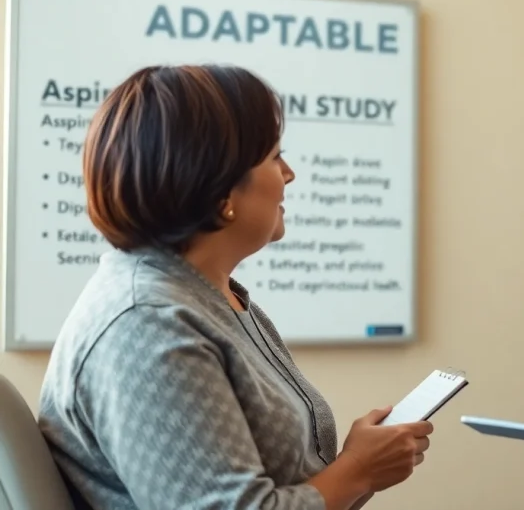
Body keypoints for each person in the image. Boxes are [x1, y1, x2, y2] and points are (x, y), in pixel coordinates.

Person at [37, 64, 432, 510]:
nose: (289, 174)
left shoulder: (209, 298)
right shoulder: (146, 323)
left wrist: (363, 469)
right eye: (275, 157)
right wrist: (357, 470)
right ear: (221, 191)